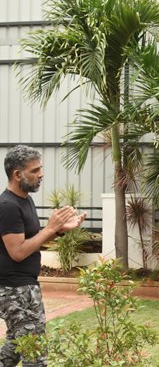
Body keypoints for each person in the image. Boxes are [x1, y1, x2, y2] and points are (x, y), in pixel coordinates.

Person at [0, 145, 86, 366]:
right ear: (17, 174)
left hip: (26, 287)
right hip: (13, 290)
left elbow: (31, 241)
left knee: (14, 347)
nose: (41, 174)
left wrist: (59, 230)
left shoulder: (25, 199)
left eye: (41, 169)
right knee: (35, 354)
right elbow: (17, 252)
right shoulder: (8, 206)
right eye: (35, 170)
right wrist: (49, 229)